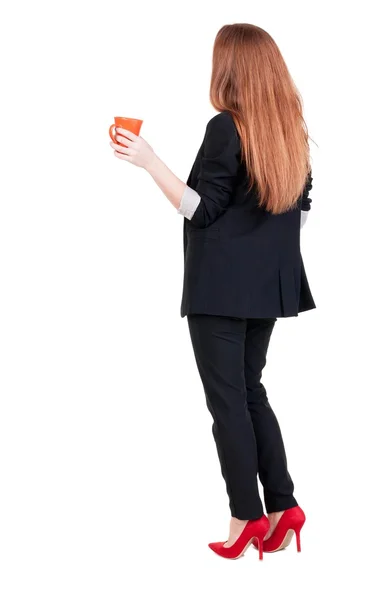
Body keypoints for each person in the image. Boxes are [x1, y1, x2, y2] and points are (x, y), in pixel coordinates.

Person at [109, 22, 315, 561]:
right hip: (270, 289)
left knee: (229, 402)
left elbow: (201, 209)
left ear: (231, 69)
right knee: (250, 392)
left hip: (220, 291)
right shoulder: (288, 128)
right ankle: (283, 507)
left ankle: (245, 516)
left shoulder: (227, 128)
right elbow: (301, 205)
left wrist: (148, 160)